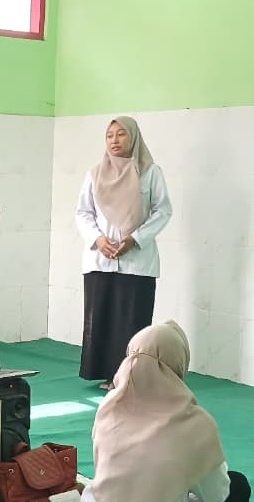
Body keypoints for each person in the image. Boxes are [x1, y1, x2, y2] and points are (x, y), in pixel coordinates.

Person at [81, 320, 254, 502]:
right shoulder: (193, 422)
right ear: (178, 365)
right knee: (238, 485)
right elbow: (216, 496)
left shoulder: (109, 406)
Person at [76, 116, 173, 390]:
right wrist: (97, 239)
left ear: (134, 138)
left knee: (132, 321)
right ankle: (105, 374)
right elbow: (83, 212)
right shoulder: (95, 173)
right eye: (110, 135)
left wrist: (135, 239)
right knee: (101, 319)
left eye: (121, 134)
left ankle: (130, 377)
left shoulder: (150, 172)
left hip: (137, 261)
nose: (114, 140)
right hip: (100, 260)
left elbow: (163, 210)